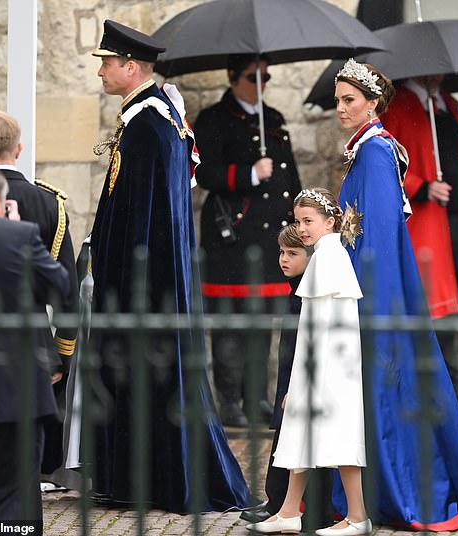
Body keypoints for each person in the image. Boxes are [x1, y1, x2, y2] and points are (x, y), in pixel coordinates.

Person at [333, 58, 458, 531]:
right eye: (337, 100)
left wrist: (366, 295)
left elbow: (378, 233)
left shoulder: (376, 151)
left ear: (372, 103)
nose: (340, 107)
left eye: (349, 100)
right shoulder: (368, 148)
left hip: (374, 291)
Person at [89, 20, 249, 510]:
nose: (101, 72)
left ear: (130, 66)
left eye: (107, 62)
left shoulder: (150, 124)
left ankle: (151, 482)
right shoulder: (146, 118)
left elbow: (143, 217)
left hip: (144, 283)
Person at [248, 188, 371, 536]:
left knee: (340, 440)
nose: (301, 228)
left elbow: (328, 325)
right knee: (300, 435)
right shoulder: (323, 256)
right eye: (297, 221)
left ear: (329, 221)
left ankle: (359, 517)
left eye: (308, 221)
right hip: (316, 365)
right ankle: (288, 511)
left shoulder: (330, 258)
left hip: (328, 368)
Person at [194, 54, 302, 427]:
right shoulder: (213, 119)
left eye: (267, 77)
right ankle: (229, 401)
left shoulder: (273, 119)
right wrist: (248, 174)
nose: (262, 85)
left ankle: (256, 396)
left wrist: (299, 217)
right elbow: (203, 172)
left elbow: (290, 175)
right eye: (254, 78)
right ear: (233, 77)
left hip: (269, 235)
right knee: (230, 324)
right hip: (232, 240)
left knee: (261, 324)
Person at [0, 162, 69, 524]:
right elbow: (59, 287)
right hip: (9, 393)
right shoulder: (16, 237)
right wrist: (16, 230)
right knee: (5, 505)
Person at [0, 109, 79, 479]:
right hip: (30, 345)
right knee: (19, 457)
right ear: (18, 150)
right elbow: (66, 293)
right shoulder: (48, 203)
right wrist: (61, 357)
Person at [380, 75, 458, 414]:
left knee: (448, 307)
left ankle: (451, 386)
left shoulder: (449, 105)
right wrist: (422, 187)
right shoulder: (398, 107)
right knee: (427, 304)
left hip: (453, 219)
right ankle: (423, 389)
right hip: (423, 220)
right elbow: (388, 164)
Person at [242, 224, 334, 527]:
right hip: (289, 375)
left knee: (296, 437)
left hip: (301, 378)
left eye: (292, 253)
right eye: (282, 252)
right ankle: (278, 501)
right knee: (285, 435)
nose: (283, 259)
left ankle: (284, 502)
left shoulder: (307, 295)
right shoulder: (295, 290)